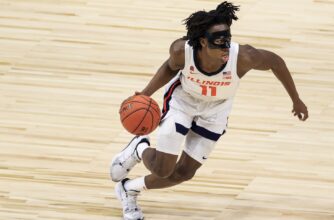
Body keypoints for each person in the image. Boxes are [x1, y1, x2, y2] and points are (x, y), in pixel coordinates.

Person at [110, 1, 308, 219]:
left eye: (228, 40)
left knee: (184, 173)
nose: (226, 46)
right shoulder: (181, 51)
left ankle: (129, 188)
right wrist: (146, 94)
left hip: (216, 110)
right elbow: (169, 67)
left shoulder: (244, 57)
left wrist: (296, 100)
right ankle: (139, 149)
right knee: (163, 169)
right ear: (203, 42)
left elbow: (276, 62)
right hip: (182, 102)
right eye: (219, 42)